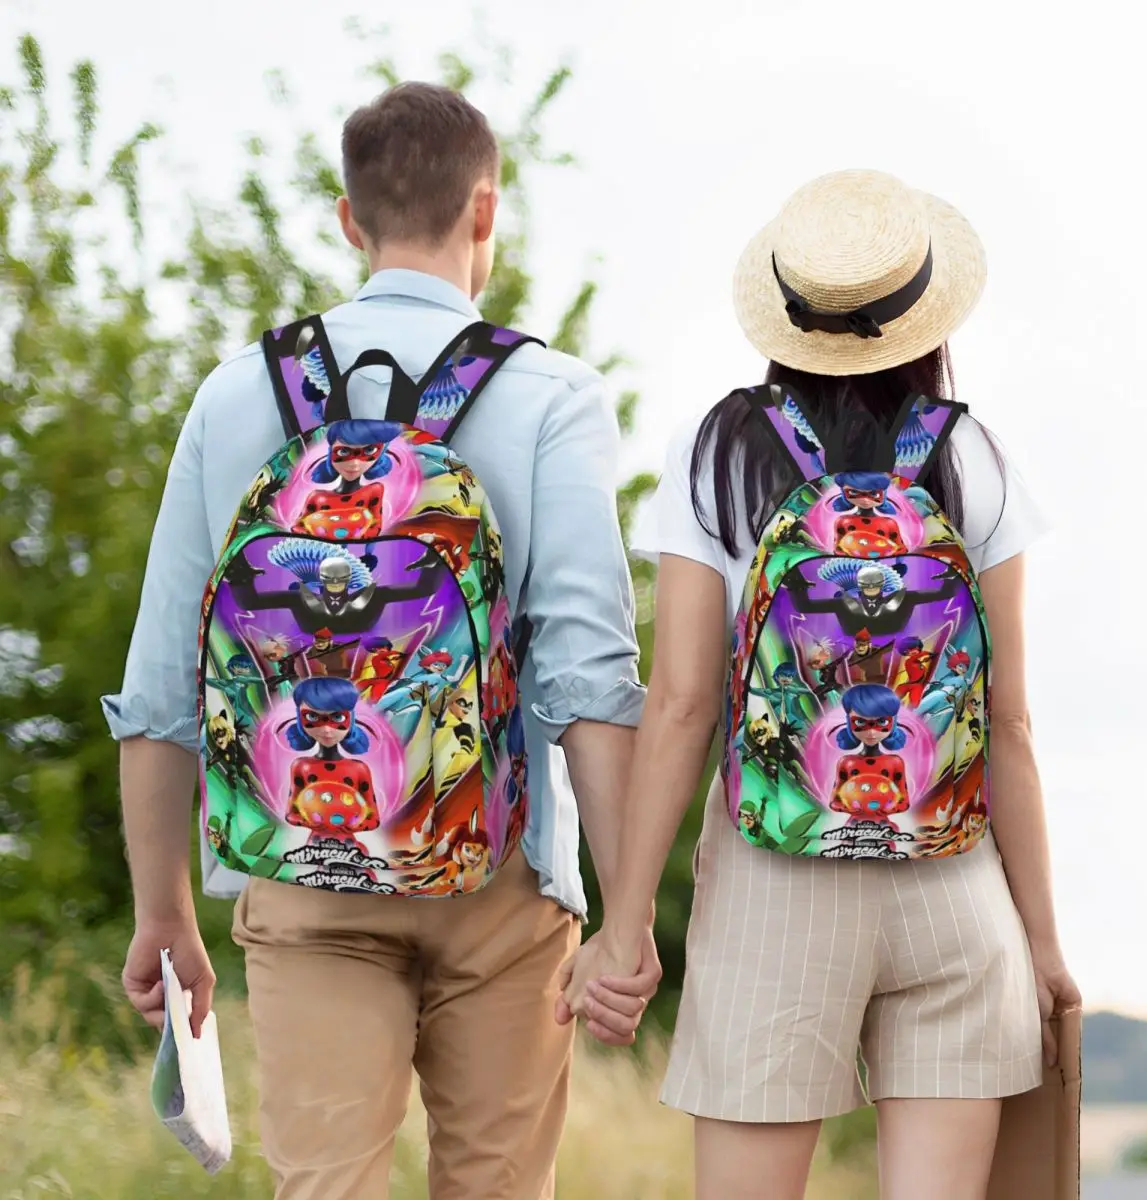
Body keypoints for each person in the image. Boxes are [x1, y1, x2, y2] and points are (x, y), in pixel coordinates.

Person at [103, 81, 661, 1200]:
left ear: (349, 220)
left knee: (325, 1187)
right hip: (500, 873)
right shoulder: (550, 394)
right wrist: (627, 914)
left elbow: (163, 682)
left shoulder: (235, 395)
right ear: (486, 213)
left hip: (300, 871)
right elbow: (588, 677)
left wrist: (162, 912)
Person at [558, 169, 1080, 1200]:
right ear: (924, 316)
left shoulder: (717, 453)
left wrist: (624, 926)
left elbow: (682, 706)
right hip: (953, 882)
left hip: (772, 883)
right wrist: (1044, 943)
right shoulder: (974, 457)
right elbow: (1010, 722)